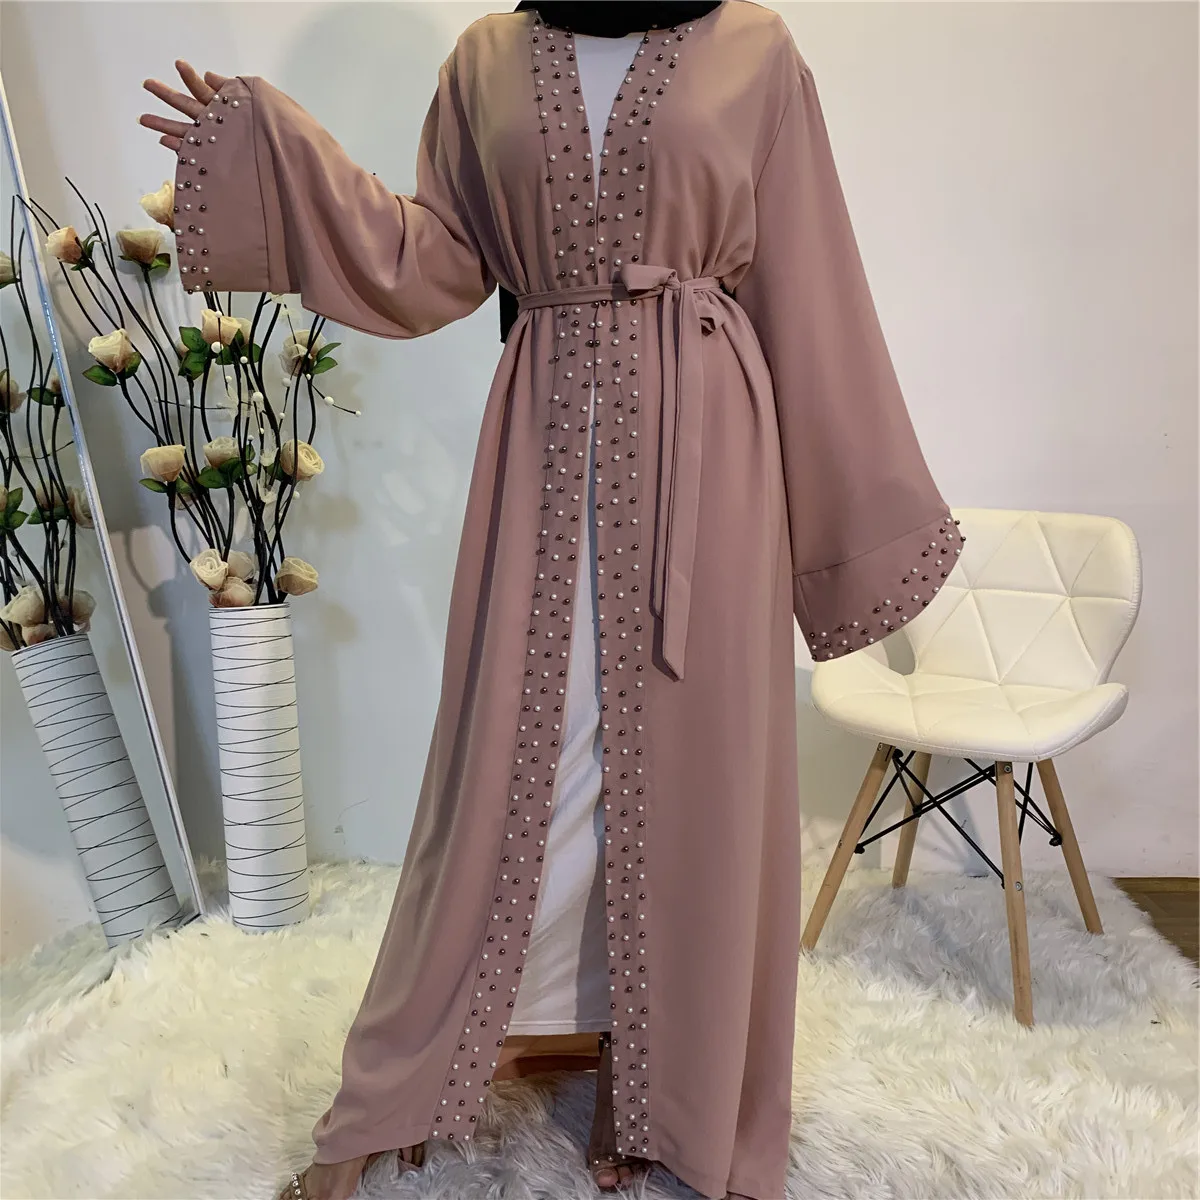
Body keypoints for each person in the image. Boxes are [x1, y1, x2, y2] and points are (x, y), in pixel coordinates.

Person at [138, 2, 961, 1197]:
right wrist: (275, 150)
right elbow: (431, 262)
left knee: (694, 769)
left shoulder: (756, 51)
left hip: (708, 462)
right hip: (549, 439)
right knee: (512, 758)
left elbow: (811, 288)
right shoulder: (486, 58)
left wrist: (855, 533)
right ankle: (408, 1078)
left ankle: (675, 1090)